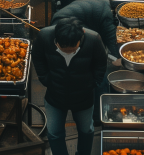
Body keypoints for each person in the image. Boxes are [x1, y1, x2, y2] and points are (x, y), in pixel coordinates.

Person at [32, 17, 107, 155]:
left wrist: (93, 83)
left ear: (82, 34)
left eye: (73, 48)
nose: (68, 52)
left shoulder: (94, 39)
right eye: (63, 49)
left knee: (87, 130)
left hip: (83, 98)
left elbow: (101, 64)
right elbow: (37, 57)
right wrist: (46, 79)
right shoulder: (44, 36)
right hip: (55, 96)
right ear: (56, 38)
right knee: (54, 133)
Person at [50, 0, 120, 122]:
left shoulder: (65, 11)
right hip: (77, 44)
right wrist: (117, 56)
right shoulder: (102, 8)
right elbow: (110, 36)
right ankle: (99, 115)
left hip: (77, 44)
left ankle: (91, 109)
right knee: (99, 74)